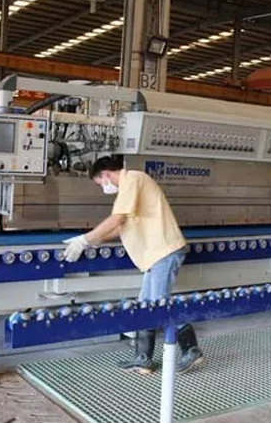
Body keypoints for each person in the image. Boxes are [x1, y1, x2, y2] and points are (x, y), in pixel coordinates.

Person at [62, 155, 203, 375]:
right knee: (145, 306)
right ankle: (143, 359)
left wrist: (84, 239)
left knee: (158, 305)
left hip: (163, 252)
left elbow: (117, 219)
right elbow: (121, 228)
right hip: (154, 256)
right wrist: (94, 240)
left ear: (105, 174)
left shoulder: (133, 180)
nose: (103, 188)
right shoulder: (130, 187)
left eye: (100, 183)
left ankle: (191, 350)